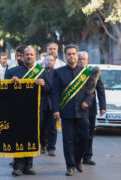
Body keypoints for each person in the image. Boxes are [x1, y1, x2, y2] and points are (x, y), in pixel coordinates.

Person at [5, 46, 49, 177]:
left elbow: (50, 89)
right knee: (18, 139)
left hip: (35, 110)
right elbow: (4, 90)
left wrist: (43, 85)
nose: (29, 56)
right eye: (27, 54)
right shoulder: (12, 71)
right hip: (17, 111)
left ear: (35, 56)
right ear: (22, 56)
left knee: (32, 138)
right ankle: (17, 166)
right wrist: (9, 83)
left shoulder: (42, 72)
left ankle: (28, 166)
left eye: (31, 54)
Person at [52, 44, 94, 176]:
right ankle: (70, 166)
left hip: (82, 112)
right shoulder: (58, 72)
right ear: (65, 56)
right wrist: (56, 110)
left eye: (73, 53)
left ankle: (77, 160)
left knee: (84, 137)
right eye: (69, 54)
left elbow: (91, 91)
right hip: (67, 111)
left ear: (77, 55)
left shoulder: (86, 72)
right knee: (68, 140)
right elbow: (55, 93)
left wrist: (87, 101)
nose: (71, 56)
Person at [78, 51, 106, 165]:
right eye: (79, 58)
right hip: (76, 108)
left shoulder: (93, 72)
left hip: (90, 107)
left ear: (87, 60)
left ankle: (87, 157)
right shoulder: (73, 72)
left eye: (83, 58)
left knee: (89, 133)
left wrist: (102, 106)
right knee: (77, 133)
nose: (81, 60)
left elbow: (100, 89)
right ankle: (76, 157)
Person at [40, 54, 57, 156]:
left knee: (52, 127)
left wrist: (45, 86)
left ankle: (51, 147)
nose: (49, 62)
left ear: (54, 62)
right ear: (44, 61)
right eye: (47, 60)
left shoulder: (57, 73)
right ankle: (43, 145)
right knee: (42, 126)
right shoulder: (40, 72)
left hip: (53, 104)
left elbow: (55, 88)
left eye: (51, 60)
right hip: (42, 103)